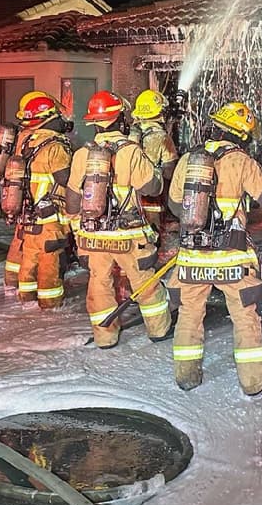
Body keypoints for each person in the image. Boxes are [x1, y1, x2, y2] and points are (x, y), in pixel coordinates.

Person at [166, 101, 262, 397]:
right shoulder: (240, 160)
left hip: (193, 256)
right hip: (232, 258)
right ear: (241, 134)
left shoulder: (189, 159)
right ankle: (254, 383)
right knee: (245, 316)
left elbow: (173, 205)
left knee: (189, 313)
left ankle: (187, 377)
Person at [64, 90, 172, 347]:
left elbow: (71, 200)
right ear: (120, 118)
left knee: (99, 285)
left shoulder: (82, 155)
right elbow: (153, 188)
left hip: (93, 236)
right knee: (144, 280)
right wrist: (154, 170)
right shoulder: (130, 152)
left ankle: (105, 337)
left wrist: (77, 230)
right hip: (128, 235)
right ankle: (159, 330)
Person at [10, 91, 74, 309]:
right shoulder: (55, 147)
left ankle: (25, 302)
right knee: (49, 261)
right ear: (49, 117)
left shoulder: (24, 141)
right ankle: (50, 305)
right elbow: (66, 180)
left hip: (28, 213)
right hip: (50, 217)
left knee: (29, 258)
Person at [128, 89, 180, 234]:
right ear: (160, 112)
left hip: (128, 200)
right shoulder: (162, 138)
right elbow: (169, 172)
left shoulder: (128, 135)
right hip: (152, 201)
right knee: (153, 239)